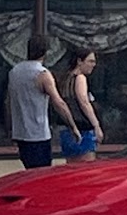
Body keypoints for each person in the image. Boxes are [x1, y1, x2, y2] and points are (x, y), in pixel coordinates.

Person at [6, 33, 75, 169]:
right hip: (38, 134)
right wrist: (72, 125)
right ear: (45, 52)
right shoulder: (42, 74)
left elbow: (8, 102)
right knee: (42, 171)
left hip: (20, 132)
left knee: (29, 169)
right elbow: (58, 102)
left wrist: (9, 127)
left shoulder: (14, 72)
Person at [57, 46, 104, 163]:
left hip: (66, 128)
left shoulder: (66, 78)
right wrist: (96, 125)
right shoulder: (80, 78)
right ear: (79, 61)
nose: (93, 65)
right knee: (87, 164)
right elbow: (84, 102)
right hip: (82, 129)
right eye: (90, 61)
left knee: (71, 164)